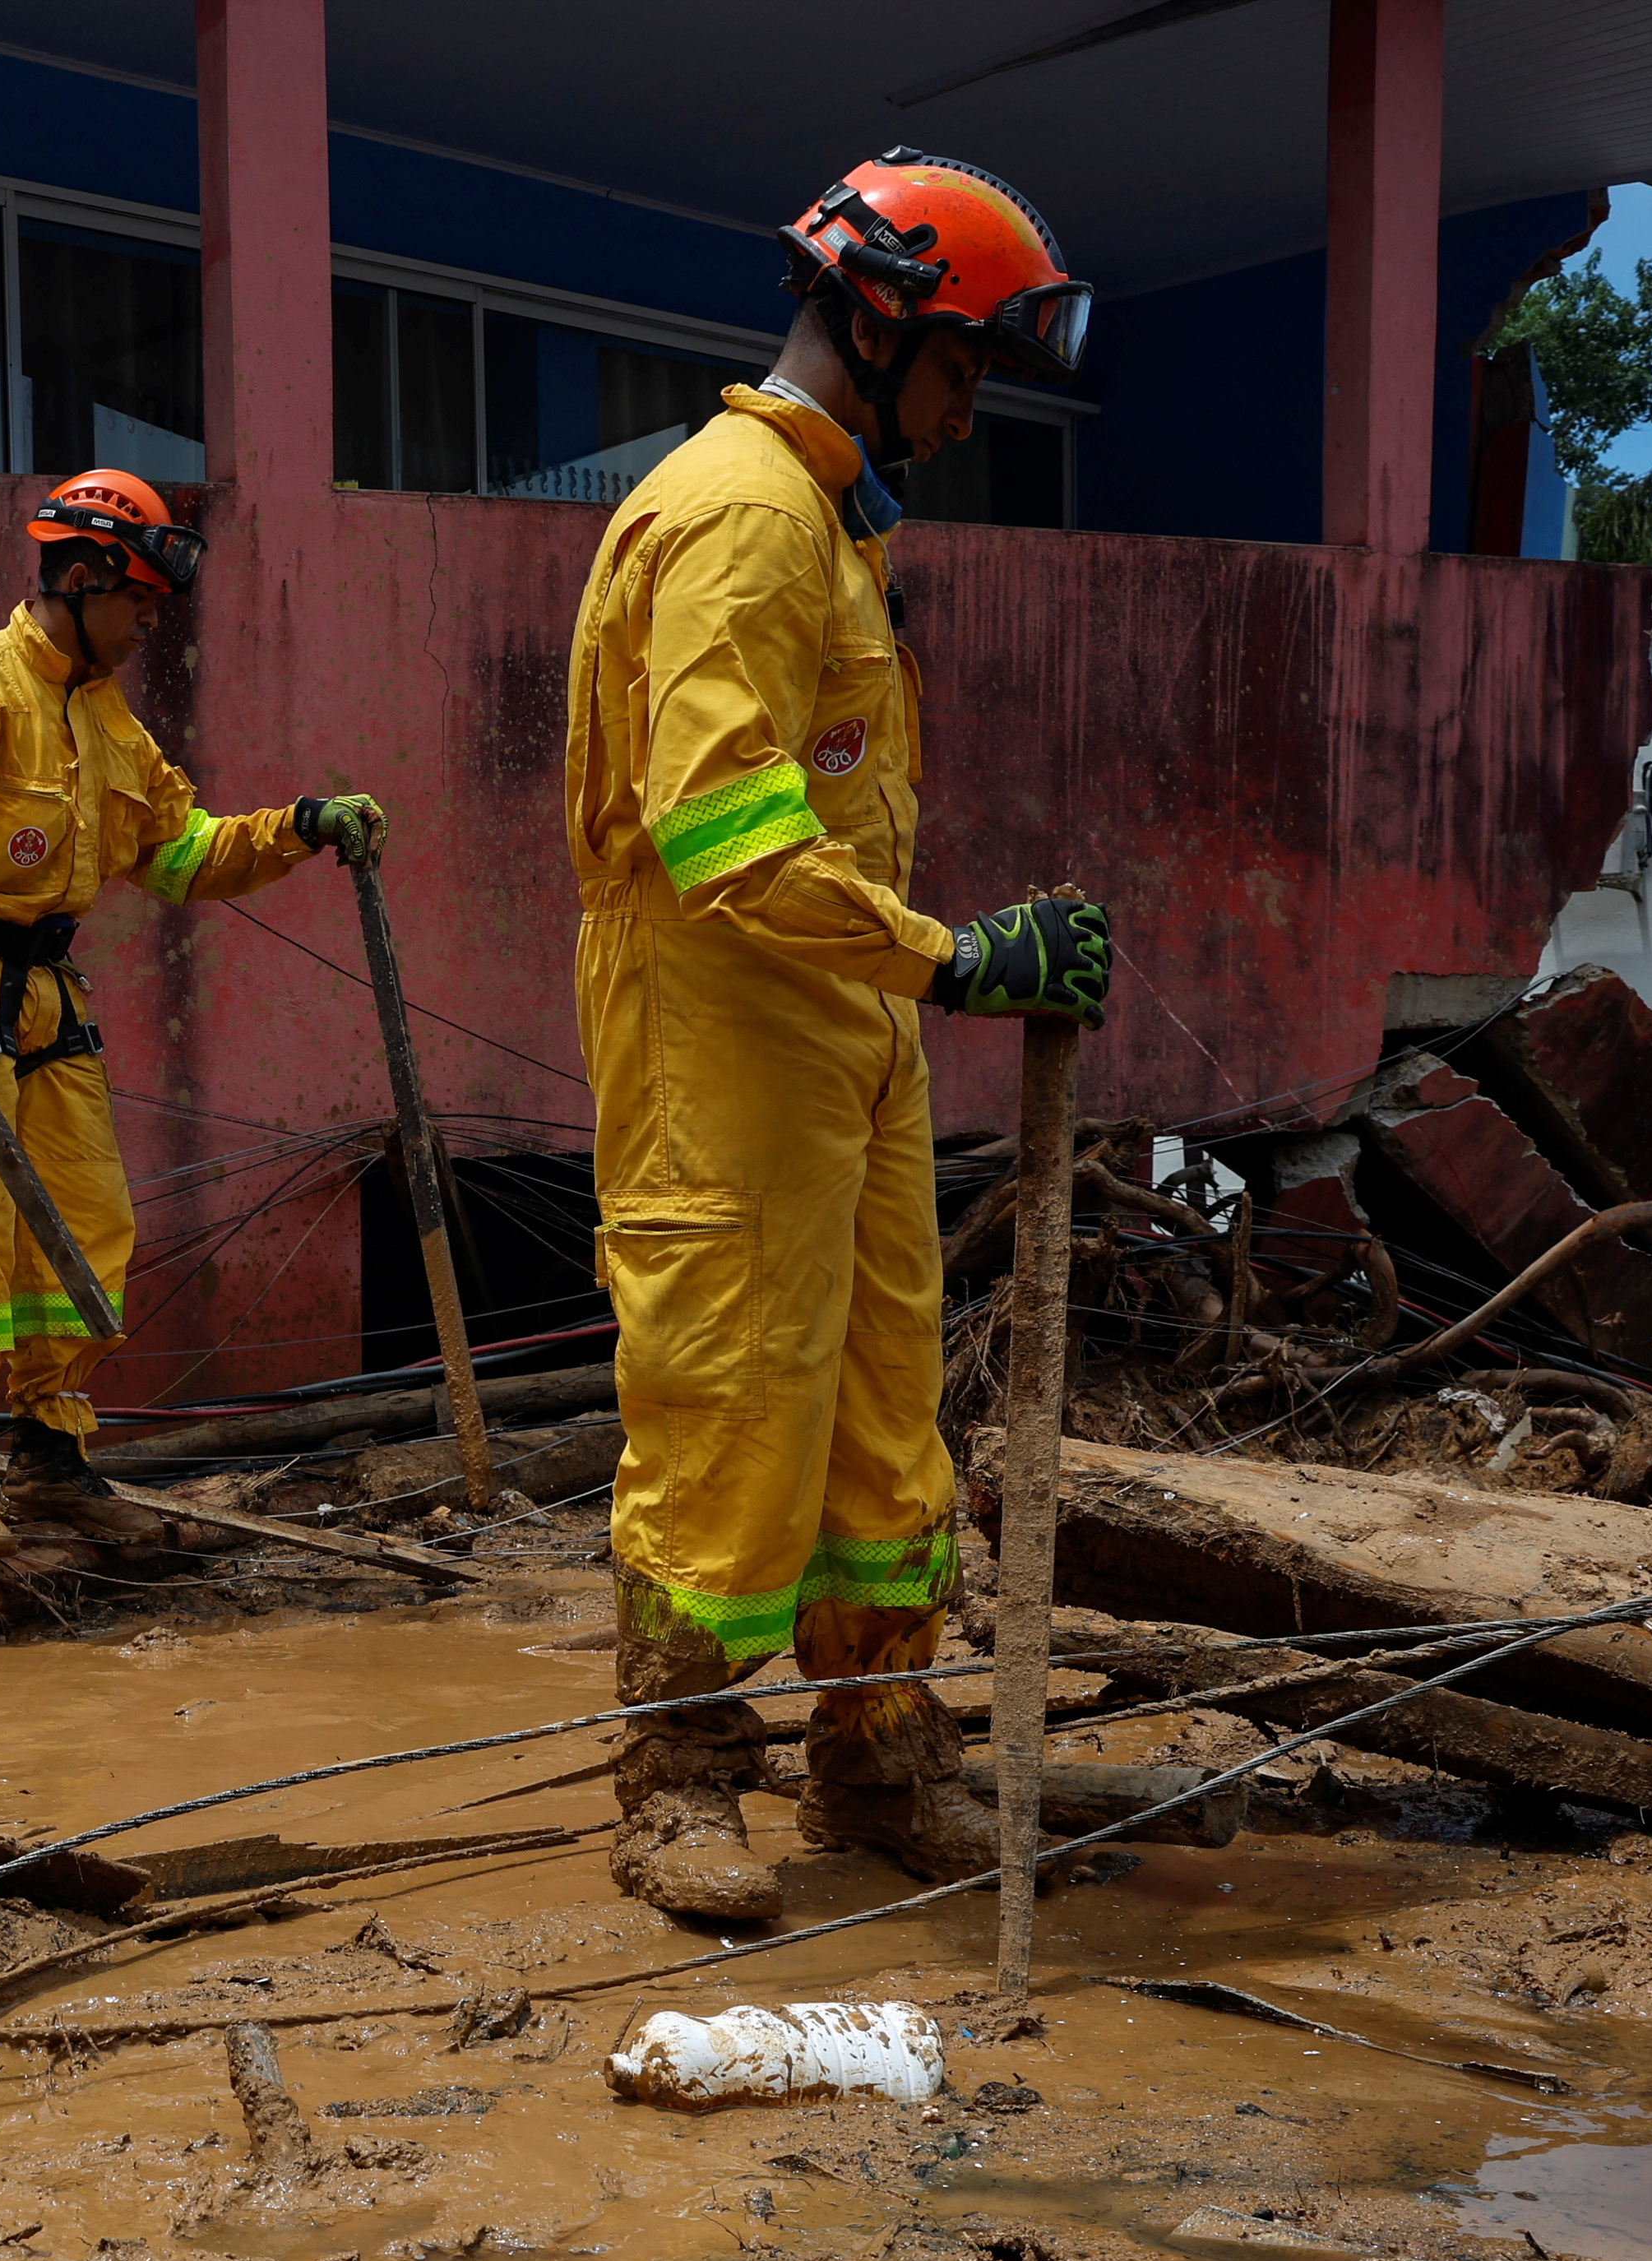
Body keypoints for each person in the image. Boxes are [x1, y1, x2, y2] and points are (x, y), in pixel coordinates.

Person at [560, 149, 1112, 1925]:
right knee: (726, 1419)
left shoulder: (825, 525)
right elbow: (723, 835)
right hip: (721, 1067)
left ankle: (875, 1755)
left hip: (834, 1054)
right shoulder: (741, 519)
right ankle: (677, 1780)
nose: (967, 412)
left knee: (882, 1432)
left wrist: (925, 980)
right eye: (962, 367)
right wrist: (956, 962)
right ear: (879, 329)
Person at [0, 470, 383, 1531]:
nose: (147, 627)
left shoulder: (107, 722)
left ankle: (49, 1457)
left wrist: (301, 825)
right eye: (136, 604)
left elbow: (181, 856)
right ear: (79, 580)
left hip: (45, 1003)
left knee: (84, 1227)